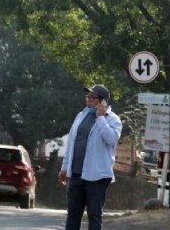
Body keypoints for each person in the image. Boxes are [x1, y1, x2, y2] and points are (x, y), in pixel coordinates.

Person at [58, 84, 122, 230]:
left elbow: (111, 139)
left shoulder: (113, 120)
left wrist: (100, 118)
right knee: (73, 213)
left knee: (94, 214)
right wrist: (64, 168)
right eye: (88, 97)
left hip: (97, 176)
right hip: (75, 173)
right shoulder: (81, 115)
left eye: (93, 98)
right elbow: (71, 144)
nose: (88, 100)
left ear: (103, 102)